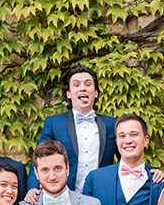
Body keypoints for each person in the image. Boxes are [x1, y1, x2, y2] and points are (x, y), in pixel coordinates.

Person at [27, 64, 118, 195]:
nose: (82, 88)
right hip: (64, 196)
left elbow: (127, 159)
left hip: (102, 196)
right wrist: (32, 188)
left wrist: (149, 172)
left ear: (96, 92)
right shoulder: (54, 123)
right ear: (68, 94)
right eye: (76, 85)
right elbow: (39, 157)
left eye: (88, 84)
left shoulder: (111, 124)